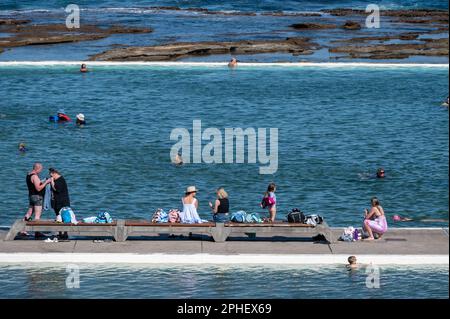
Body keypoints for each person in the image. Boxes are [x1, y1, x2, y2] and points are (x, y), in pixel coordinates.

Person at [23, 163, 51, 238]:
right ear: (37, 168)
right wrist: (46, 182)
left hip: (31, 196)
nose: (41, 171)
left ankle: (22, 230)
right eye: (41, 169)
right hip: (37, 197)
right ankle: (37, 232)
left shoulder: (28, 175)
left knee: (29, 214)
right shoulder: (34, 176)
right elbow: (38, 188)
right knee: (37, 216)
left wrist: (41, 182)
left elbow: (34, 185)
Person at [49, 168, 70, 239]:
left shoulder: (60, 180)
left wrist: (52, 182)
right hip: (57, 202)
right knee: (58, 217)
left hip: (62, 202)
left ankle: (65, 233)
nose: (51, 177)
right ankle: (60, 233)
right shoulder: (57, 180)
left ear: (53, 173)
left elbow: (56, 189)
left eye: (51, 175)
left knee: (65, 218)